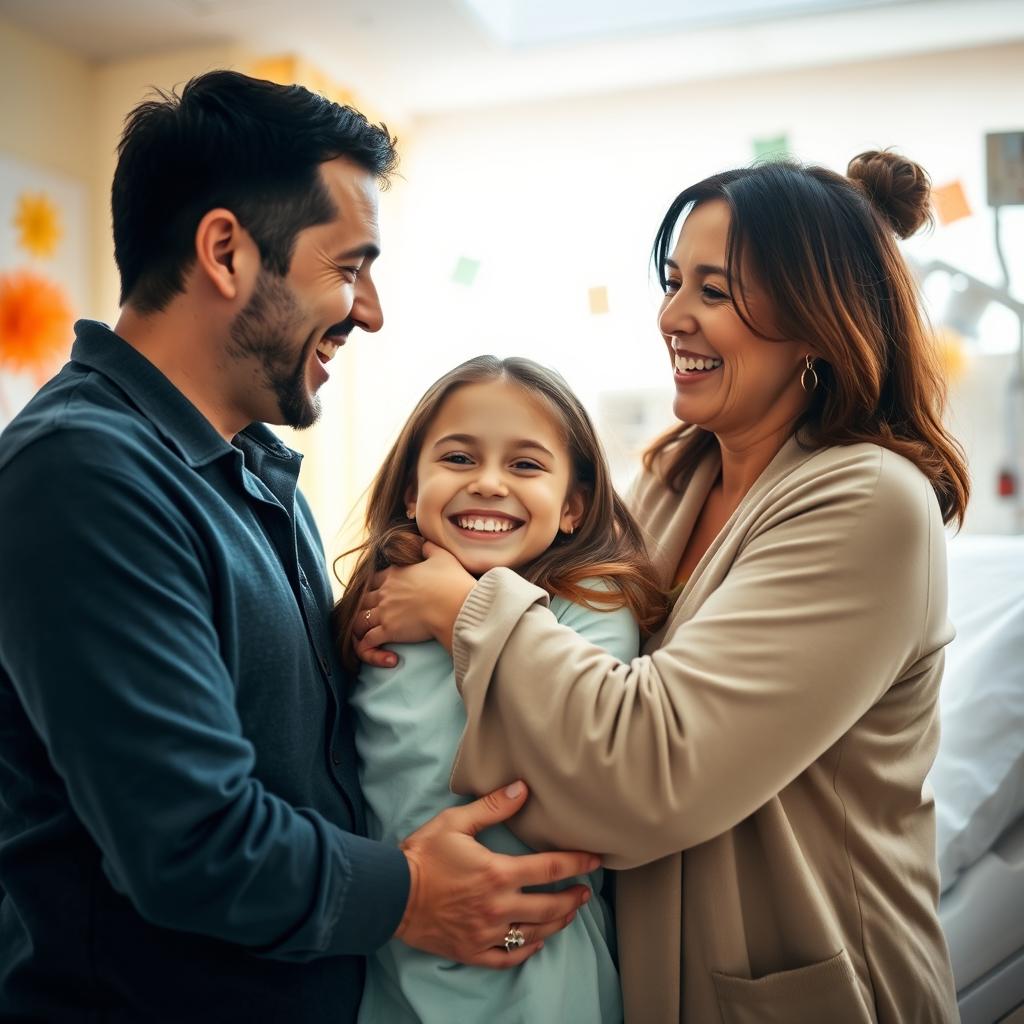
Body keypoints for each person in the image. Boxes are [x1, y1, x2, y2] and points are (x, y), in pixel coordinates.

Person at [0, 70, 596, 1023]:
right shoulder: (84, 473)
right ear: (226, 251)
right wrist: (410, 890)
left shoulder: (251, 469)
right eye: (349, 266)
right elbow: (191, 840)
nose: (370, 311)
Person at [354, 151, 970, 1022]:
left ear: (814, 324)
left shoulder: (869, 504)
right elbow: (559, 703)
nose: (672, 315)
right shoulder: (671, 487)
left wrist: (462, 607)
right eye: (674, 282)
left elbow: (648, 765)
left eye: (713, 292)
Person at [334, 355, 666, 1022]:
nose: (488, 484)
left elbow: (585, 747)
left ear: (572, 507)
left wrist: (453, 608)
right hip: (394, 961)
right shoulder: (383, 597)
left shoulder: (588, 602)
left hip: (539, 969)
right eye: (458, 458)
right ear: (410, 490)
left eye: (525, 465)